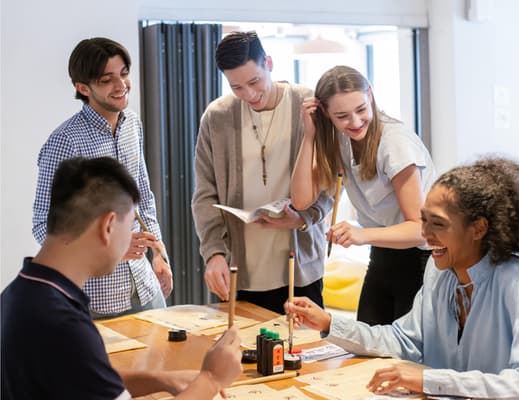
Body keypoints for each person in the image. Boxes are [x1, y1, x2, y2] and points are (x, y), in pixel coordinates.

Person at [286, 157, 519, 399]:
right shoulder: (438, 271)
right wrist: (329, 322)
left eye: (437, 224)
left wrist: (429, 381)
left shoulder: (516, 278)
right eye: (423, 220)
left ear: (478, 228)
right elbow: (405, 340)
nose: (425, 233)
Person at [3, 157, 243, 399]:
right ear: (108, 226)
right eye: (129, 228)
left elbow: (82, 376)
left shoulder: (18, 294)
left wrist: (161, 379)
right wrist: (211, 378)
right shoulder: (64, 324)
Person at [192, 31, 332, 314]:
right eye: (237, 87)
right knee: (245, 353)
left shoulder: (307, 105)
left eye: (254, 81)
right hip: (241, 268)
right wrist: (214, 253)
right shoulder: (217, 117)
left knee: (304, 352)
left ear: (268, 62)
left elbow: (329, 179)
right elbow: (205, 194)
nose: (249, 94)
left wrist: (304, 218)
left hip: (299, 265)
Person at [32, 37, 172, 319]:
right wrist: (112, 250)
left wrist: (159, 253)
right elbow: (44, 227)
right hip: (96, 300)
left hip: (144, 284)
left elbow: (143, 196)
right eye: (107, 79)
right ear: (83, 87)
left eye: (123, 74)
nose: (121, 85)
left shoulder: (132, 124)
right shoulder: (64, 142)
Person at [291, 65, 436, 325]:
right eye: (342, 116)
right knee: (366, 347)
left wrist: (360, 234)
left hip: (421, 260)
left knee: (404, 357)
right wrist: (310, 136)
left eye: (361, 110)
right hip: (383, 255)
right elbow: (301, 200)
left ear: (370, 94)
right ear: (325, 113)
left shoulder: (395, 142)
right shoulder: (338, 139)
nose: (355, 123)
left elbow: (420, 229)